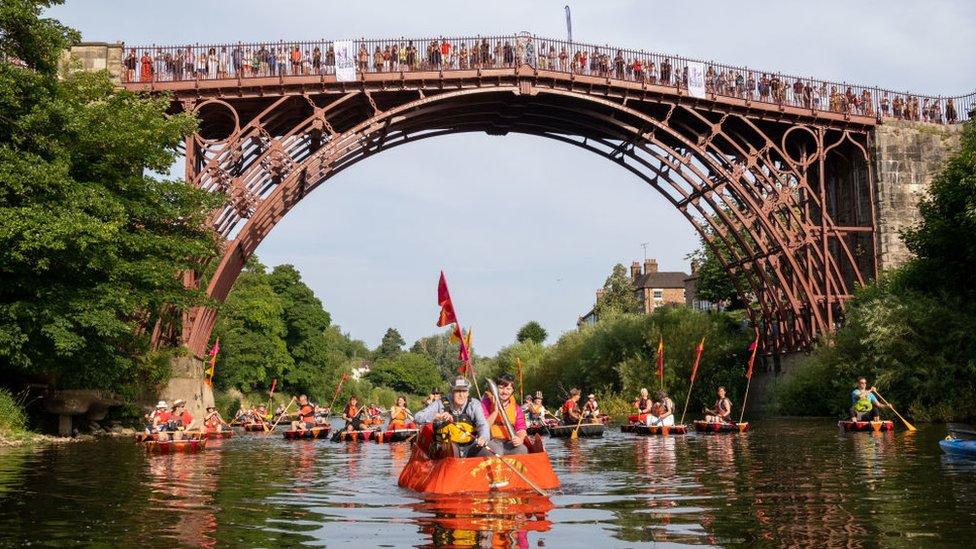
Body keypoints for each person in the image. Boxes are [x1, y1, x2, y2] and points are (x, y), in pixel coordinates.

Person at [414, 376, 490, 458]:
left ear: (468, 393)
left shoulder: (474, 404)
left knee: (487, 452)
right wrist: (437, 416)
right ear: (451, 392)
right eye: (457, 391)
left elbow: (482, 424)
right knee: (452, 450)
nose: (461, 395)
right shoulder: (440, 403)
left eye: (464, 391)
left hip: (469, 447)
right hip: (445, 448)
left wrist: (483, 437)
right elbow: (417, 417)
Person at [481, 374, 528, 455]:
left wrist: (519, 439)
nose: (504, 392)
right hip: (491, 441)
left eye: (508, 389)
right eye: (501, 388)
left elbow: (521, 429)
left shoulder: (517, 408)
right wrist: (495, 411)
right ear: (495, 389)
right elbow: (483, 427)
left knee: (522, 449)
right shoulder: (485, 404)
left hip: (509, 442)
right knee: (497, 452)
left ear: (512, 390)